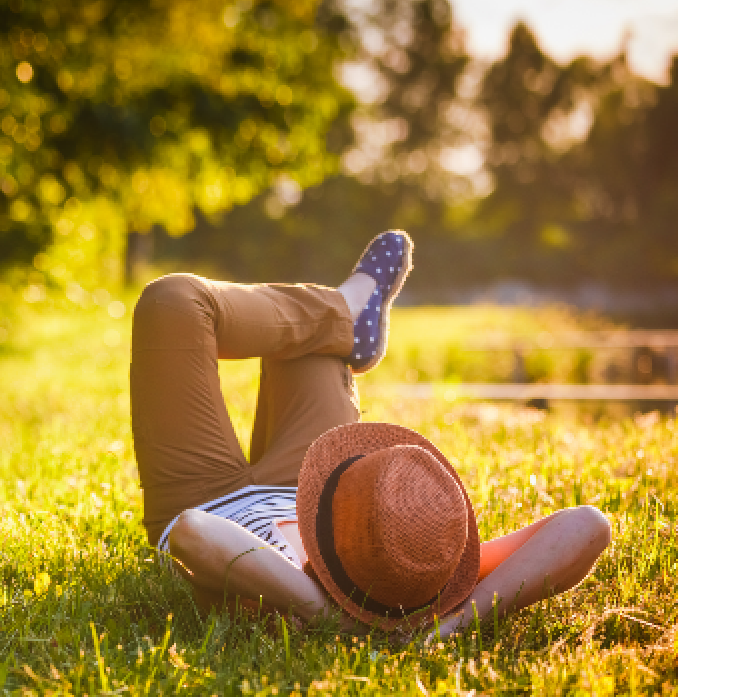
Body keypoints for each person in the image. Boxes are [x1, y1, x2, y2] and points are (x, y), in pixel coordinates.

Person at [131, 230, 612, 638]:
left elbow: (195, 532)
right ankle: (342, 314)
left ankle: (343, 307)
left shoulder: (285, 598)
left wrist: (331, 616)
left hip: (207, 495)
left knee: (172, 301)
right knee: (312, 344)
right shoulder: (423, 580)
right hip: (313, 490)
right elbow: (588, 525)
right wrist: (455, 624)